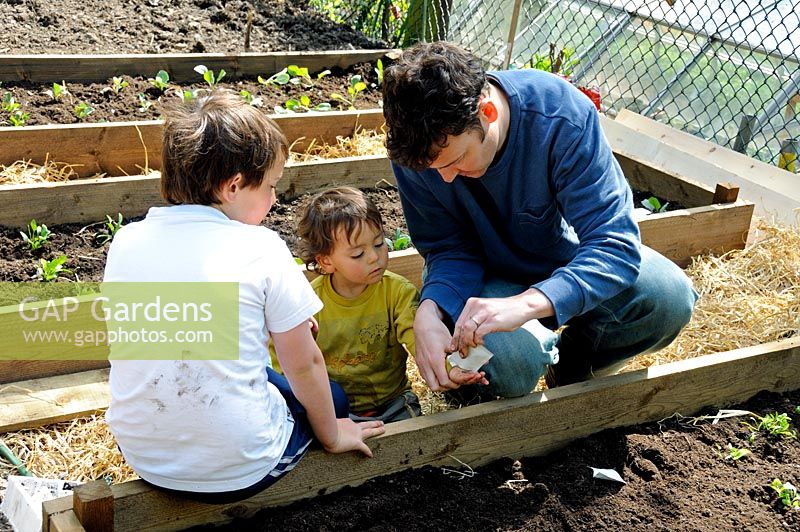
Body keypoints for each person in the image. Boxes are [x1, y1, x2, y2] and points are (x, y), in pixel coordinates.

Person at [103, 90, 384, 504]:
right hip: (242, 466)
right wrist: (333, 433)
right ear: (233, 186)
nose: (273, 200)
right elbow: (304, 362)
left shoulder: (126, 240)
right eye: (270, 187)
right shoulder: (261, 246)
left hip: (144, 457)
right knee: (334, 399)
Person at [381, 41, 698, 400]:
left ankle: (573, 373)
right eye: (434, 169)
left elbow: (615, 245)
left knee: (667, 297)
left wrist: (528, 304)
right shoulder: (420, 151)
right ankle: (502, 372)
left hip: (559, 260)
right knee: (512, 368)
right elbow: (448, 248)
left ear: (487, 112)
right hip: (485, 279)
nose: (447, 179)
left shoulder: (560, 116)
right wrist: (430, 311)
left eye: (456, 160)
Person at [284, 186, 485, 422]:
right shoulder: (310, 302)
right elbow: (288, 356)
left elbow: (418, 337)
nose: (374, 257)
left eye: (379, 244)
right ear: (326, 262)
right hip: (336, 411)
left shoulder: (396, 291)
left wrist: (450, 368)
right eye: (358, 254)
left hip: (394, 402)